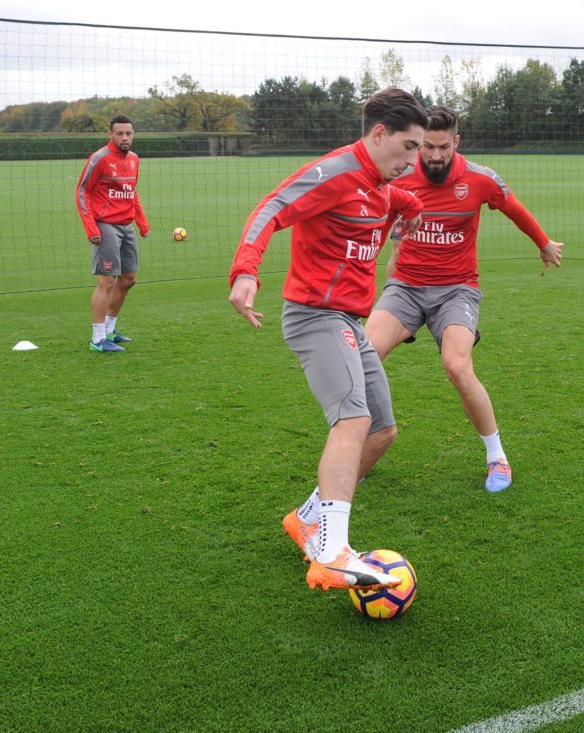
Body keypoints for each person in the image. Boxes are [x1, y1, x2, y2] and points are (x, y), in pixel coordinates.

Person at [228, 88, 427, 591]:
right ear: (378, 134)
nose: (414, 159)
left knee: (381, 430)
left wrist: (411, 206)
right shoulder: (336, 172)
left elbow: (392, 198)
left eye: (419, 149)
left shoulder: (382, 183)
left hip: (350, 321)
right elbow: (272, 206)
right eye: (408, 146)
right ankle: (333, 552)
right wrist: (246, 270)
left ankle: (308, 518)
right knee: (353, 419)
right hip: (314, 315)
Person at [363, 105, 564, 492]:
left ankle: (497, 458)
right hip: (405, 286)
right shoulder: (399, 178)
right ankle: (365, 446)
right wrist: (385, 263)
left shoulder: (479, 179)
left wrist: (542, 243)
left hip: (457, 289)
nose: (435, 155)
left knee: (457, 366)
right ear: (418, 144)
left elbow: (514, 208)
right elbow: (381, 225)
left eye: (443, 147)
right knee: (365, 355)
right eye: (427, 147)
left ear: (456, 142)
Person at [76, 114, 149, 352]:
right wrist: (91, 227)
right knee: (106, 281)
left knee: (128, 279)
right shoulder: (100, 158)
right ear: (111, 134)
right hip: (105, 225)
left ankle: (109, 330)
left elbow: (131, 192)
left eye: (129, 133)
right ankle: (97, 339)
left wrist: (142, 222)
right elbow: (82, 192)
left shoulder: (135, 160)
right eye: (120, 133)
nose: (125, 137)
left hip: (127, 225)